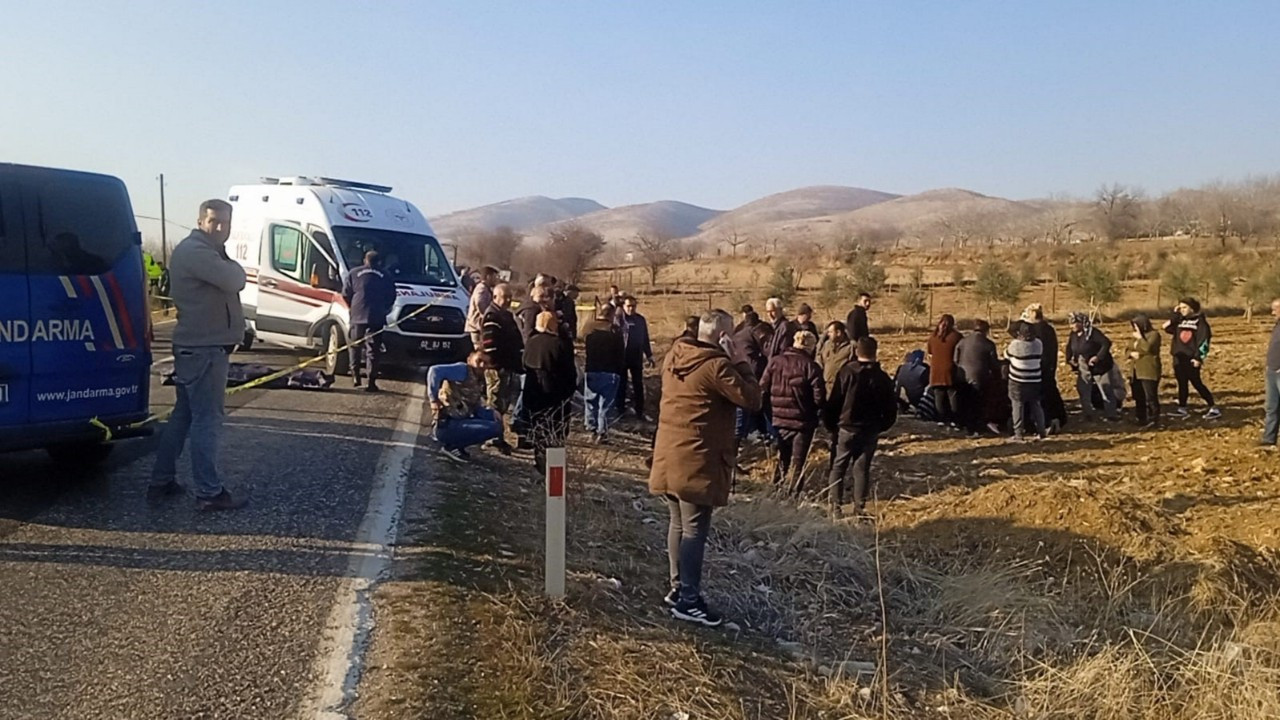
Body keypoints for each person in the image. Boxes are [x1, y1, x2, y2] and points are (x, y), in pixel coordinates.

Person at [649, 310, 762, 627]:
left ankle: (677, 588)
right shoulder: (717, 366)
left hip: (669, 454)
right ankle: (689, 599)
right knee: (695, 530)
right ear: (724, 337)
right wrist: (741, 361)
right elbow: (752, 399)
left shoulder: (676, 354)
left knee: (678, 525)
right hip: (697, 460)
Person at [149, 199, 247, 511]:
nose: (220, 228)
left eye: (225, 223)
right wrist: (234, 267)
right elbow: (236, 280)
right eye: (214, 221)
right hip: (204, 349)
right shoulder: (197, 251)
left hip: (199, 347)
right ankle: (209, 492)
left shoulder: (208, 252)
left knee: (184, 416)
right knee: (208, 420)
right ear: (200, 221)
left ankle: (161, 481)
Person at [823, 336, 897, 519]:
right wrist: (882, 426)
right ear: (875, 352)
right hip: (870, 429)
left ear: (856, 351)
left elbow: (834, 401)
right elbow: (891, 408)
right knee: (862, 469)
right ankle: (859, 508)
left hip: (846, 428)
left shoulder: (847, 372)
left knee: (838, 466)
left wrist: (830, 424)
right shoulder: (882, 378)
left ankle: (835, 507)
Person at [760, 330, 826, 495]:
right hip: (802, 422)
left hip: (779, 419)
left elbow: (762, 388)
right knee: (798, 462)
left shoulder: (775, 362)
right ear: (811, 347)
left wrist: (769, 411)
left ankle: (775, 489)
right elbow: (819, 397)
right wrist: (815, 411)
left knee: (783, 457)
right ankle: (793, 495)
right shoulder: (811, 366)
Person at [523, 311, 577, 472]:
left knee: (538, 427)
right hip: (555, 393)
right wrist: (570, 390)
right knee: (556, 431)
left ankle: (540, 461)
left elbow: (524, 363)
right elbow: (569, 371)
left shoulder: (531, 342)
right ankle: (555, 467)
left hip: (533, 390)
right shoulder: (560, 344)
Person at [431, 352, 504, 461]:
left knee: (495, 420)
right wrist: (433, 399)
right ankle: (451, 447)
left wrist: (492, 413)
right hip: (447, 423)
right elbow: (434, 370)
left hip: (460, 419)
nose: (482, 365)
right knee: (493, 427)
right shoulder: (463, 370)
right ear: (469, 360)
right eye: (479, 361)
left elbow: (475, 407)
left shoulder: (478, 379)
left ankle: (458, 444)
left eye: (486, 363)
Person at [343, 250, 397, 391]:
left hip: (357, 315)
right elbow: (392, 296)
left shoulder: (353, 273)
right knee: (373, 350)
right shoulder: (386, 275)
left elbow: (346, 294)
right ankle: (371, 382)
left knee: (355, 346)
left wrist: (353, 307)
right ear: (379, 262)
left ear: (364, 260)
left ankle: (356, 377)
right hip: (376, 316)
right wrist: (384, 308)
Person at [481, 282, 522, 454]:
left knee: (503, 403)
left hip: (508, 366)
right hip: (497, 368)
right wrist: (498, 364)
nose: (507, 301)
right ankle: (492, 437)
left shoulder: (506, 315)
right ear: (495, 297)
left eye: (509, 298)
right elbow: (489, 345)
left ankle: (498, 435)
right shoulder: (492, 316)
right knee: (495, 402)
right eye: (504, 297)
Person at [1011, 303, 1066, 433]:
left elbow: (1011, 329)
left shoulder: (1034, 330)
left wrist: (1023, 319)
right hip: (1050, 365)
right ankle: (1057, 419)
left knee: (1038, 398)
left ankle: (1043, 423)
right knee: (1051, 392)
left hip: (1037, 367)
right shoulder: (1049, 329)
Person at [1163, 298, 1219, 419]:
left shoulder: (1200, 322)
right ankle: (1182, 408)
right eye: (1180, 307)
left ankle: (1213, 407)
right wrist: (1175, 313)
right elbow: (1166, 327)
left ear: (1192, 308)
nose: (1182, 310)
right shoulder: (1179, 320)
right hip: (1178, 357)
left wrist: (1199, 357)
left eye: (1184, 307)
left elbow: (1204, 341)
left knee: (1196, 383)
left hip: (1191, 358)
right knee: (1182, 383)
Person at [1065, 312, 1119, 421]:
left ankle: (1111, 414)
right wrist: (1069, 360)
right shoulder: (1074, 334)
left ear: (1081, 323)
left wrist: (1097, 357)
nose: (1072, 326)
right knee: (1083, 389)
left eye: (1075, 323)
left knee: (1105, 388)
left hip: (1100, 366)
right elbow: (1069, 347)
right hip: (1083, 365)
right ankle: (1088, 414)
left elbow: (1106, 343)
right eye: (1071, 324)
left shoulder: (1093, 333)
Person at [583, 305, 625, 443]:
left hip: (592, 369)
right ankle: (603, 433)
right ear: (611, 314)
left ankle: (591, 430)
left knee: (590, 402)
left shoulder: (589, 328)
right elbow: (620, 353)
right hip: (610, 371)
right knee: (605, 405)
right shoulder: (614, 330)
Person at [954, 320, 1000, 435]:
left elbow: (955, 359)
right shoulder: (988, 344)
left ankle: (965, 425)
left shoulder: (962, 342)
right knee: (978, 403)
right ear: (986, 331)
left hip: (962, 376)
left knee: (965, 401)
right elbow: (994, 364)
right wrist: (996, 376)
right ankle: (977, 427)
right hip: (980, 376)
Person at [733, 310, 771, 440]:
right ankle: (748, 432)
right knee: (756, 402)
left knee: (742, 402)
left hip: (737, 368)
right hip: (753, 370)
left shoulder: (736, 333)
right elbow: (766, 351)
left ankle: (744, 433)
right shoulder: (753, 333)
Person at [1006, 322, 1047, 441]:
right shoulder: (1039, 344)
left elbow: (1007, 355)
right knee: (1036, 404)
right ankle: (1042, 431)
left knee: (1017, 405)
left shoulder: (1015, 345)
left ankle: (1018, 434)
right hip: (1035, 378)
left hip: (1017, 380)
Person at [617, 295, 654, 420]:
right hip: (621, 356)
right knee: (621, 384)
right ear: (623, 306)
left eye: (633, 306)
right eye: (628, 306)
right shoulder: (618, 320)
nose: (631, 309)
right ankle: (620, 411)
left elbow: (645, 339)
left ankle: (639, 411)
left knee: (638, 384)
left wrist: (649, 355)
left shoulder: (640, 320)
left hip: (636, 357)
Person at [925, 314, 964, 429]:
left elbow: (930, 354)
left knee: (939, 395)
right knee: (952, 395)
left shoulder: (933, 338)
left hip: (936, 370)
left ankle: (941, 419)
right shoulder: (956, 337)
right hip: (950, 369)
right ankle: (954, 420)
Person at [1127, 314, 1162, 428]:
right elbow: (1128, 349)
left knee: (1150, 396)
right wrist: (1131, 353)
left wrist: (1140, 338)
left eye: (1137, 325)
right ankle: (1141, 417)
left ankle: (1154, 418)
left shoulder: (1154, 335)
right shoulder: (1134, 337)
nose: (1135, 328)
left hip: (1148, 370)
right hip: (1135, 371)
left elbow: (1148, 348)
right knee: (1138, 396)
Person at [465, 265, 499, 351]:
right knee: (479, 351)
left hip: (478, 326)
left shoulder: (485, 288)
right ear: (488, 277)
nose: (496, 279)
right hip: (477, 326)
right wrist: (487, 315)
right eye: (494, 277)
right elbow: (480, 303)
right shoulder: (482, 288)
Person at [1262, 299, 1280, 448]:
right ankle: (1268, 439)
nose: (1272, 312)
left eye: (1275, 309)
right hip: (1272, 371)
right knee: (1271, 407)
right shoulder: (1277, 325)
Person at [893, 350, 932, 417]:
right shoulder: (923, 370)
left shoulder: (901, 367)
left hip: (900, 397)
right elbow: (928, 383)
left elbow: (895, 381)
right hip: (917, 398)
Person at [817, 321, 852, 392]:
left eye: (830, 332)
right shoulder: (826, 345)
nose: (828, 334)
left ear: (838, 333)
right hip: (826, 386)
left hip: (842, 387)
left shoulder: (850, 347)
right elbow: (820, 360)